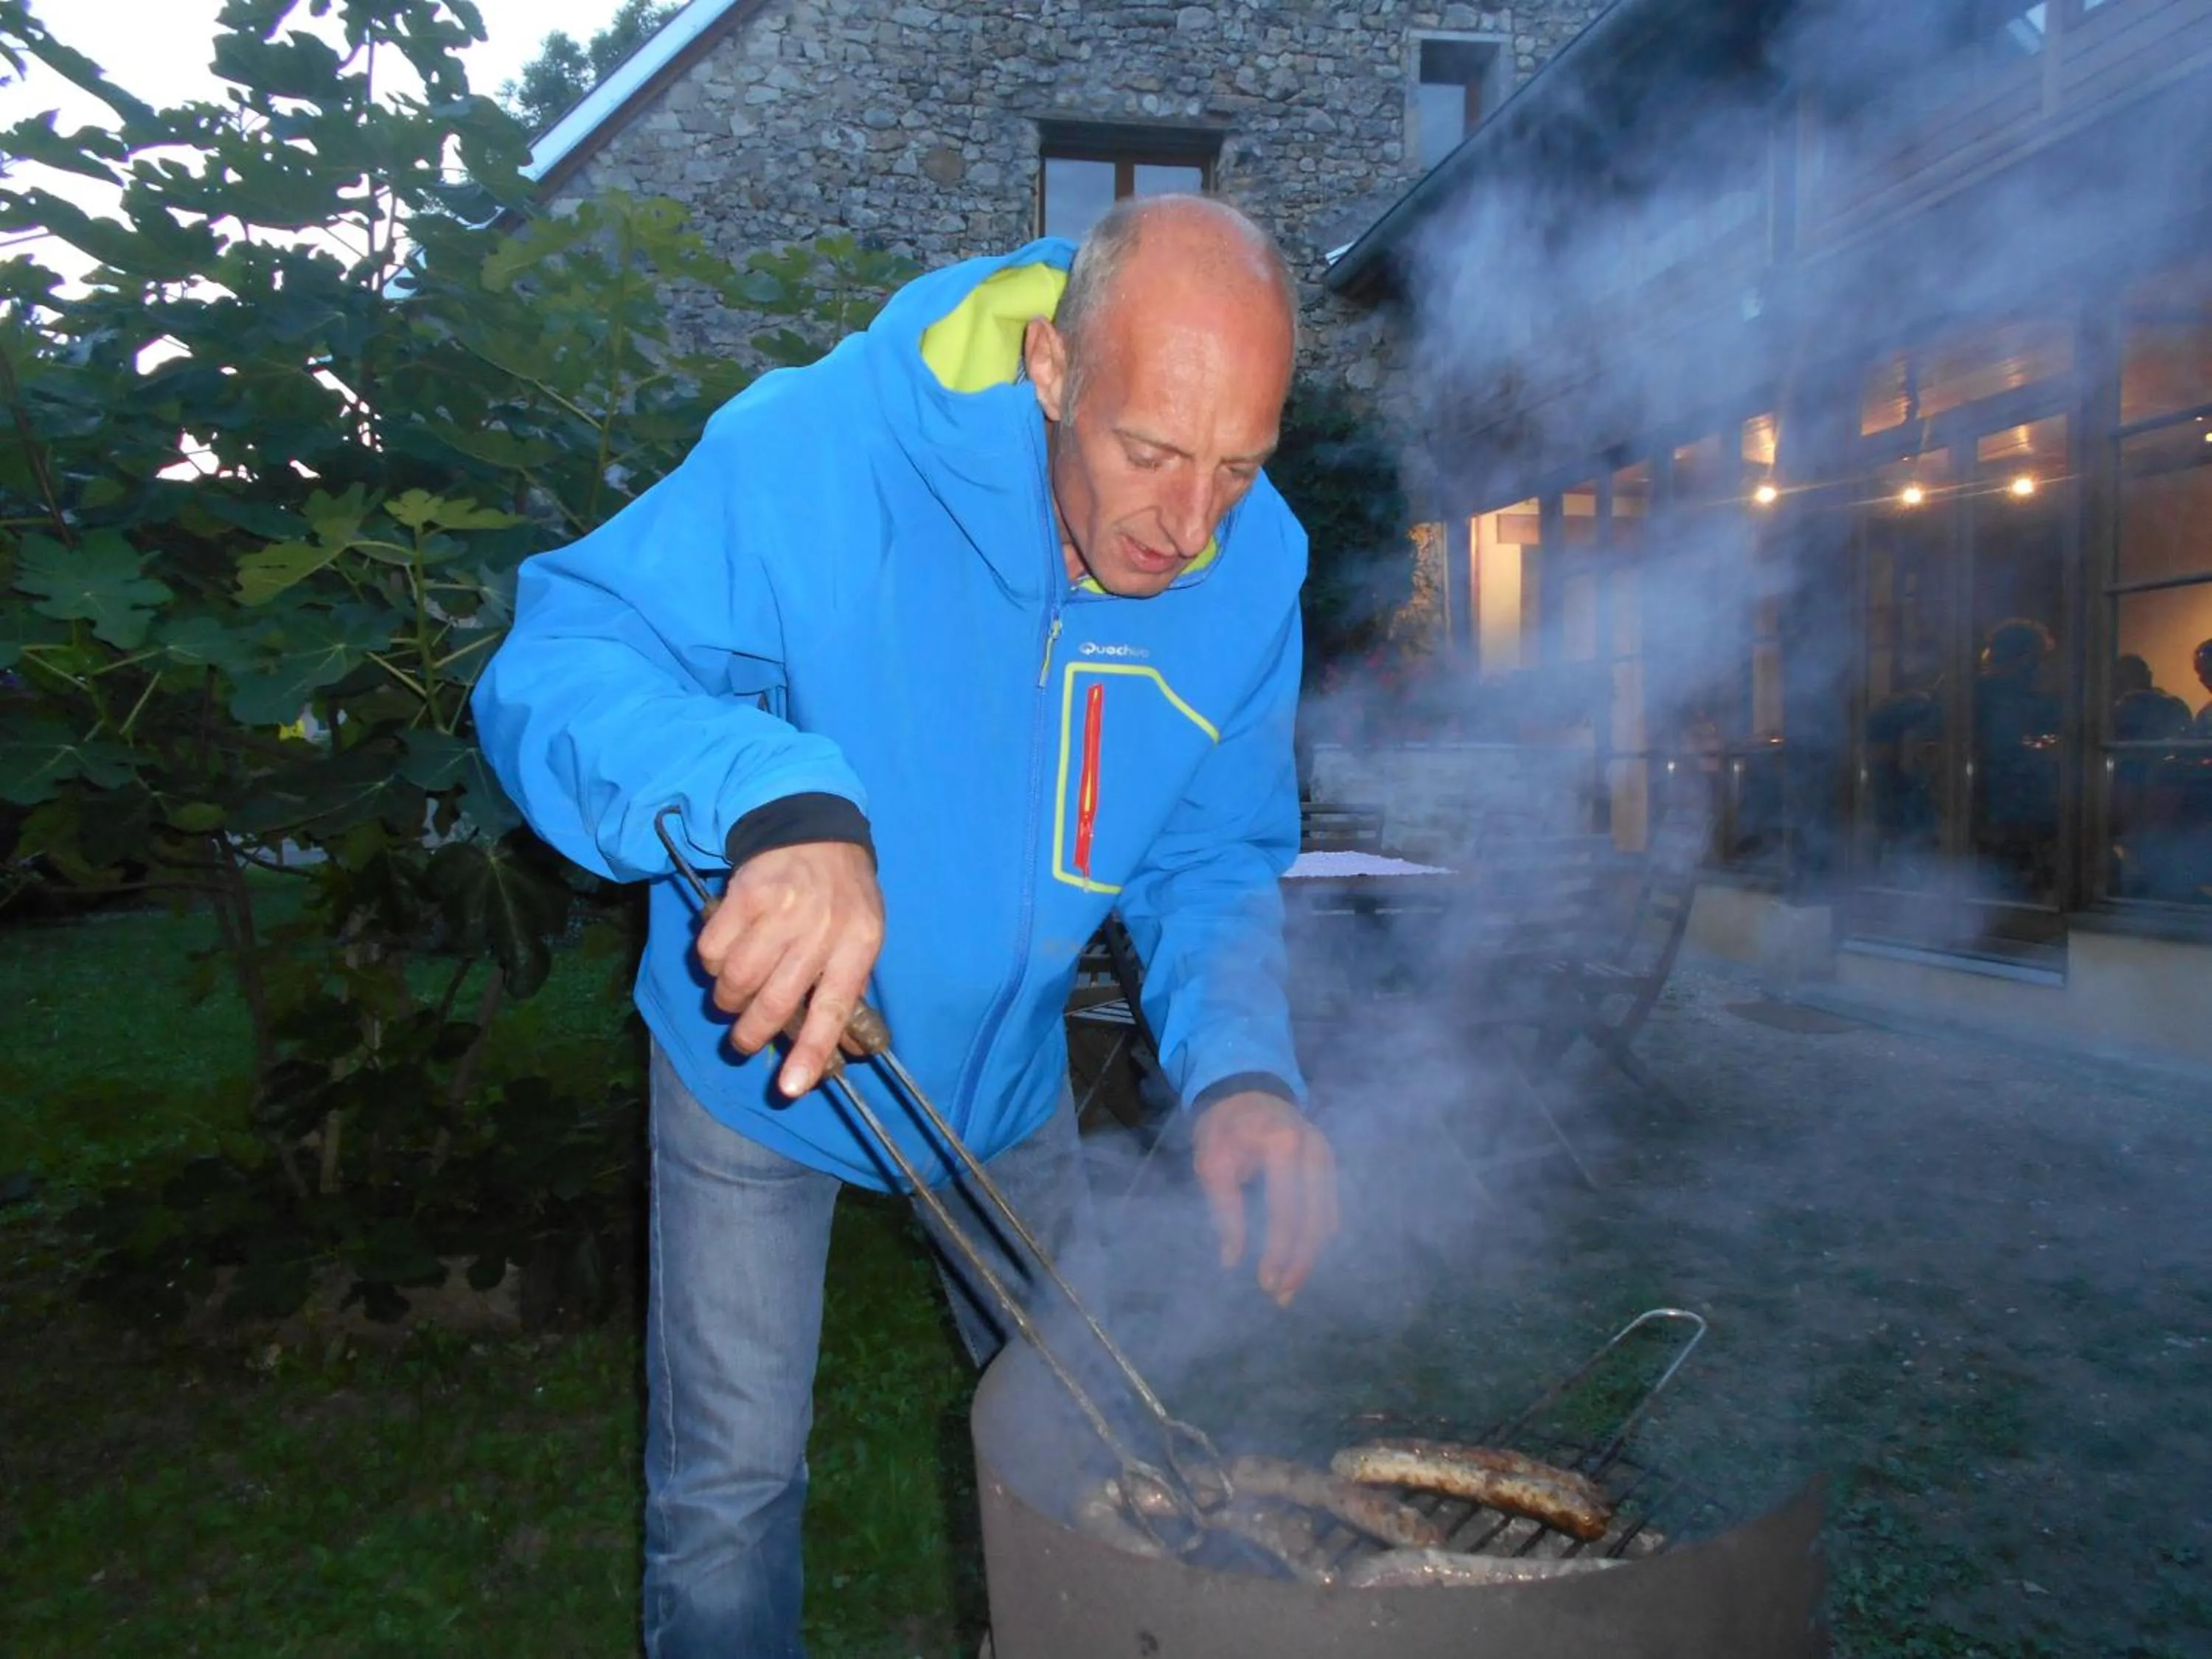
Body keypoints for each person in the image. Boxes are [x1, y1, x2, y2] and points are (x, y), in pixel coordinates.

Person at [471, 195, 1341, 1658]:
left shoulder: (1251, 574)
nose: (1188, 527)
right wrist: (771, 796)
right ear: (1053, 372)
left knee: (1093, 1461)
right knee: (733, 1490)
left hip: (1004, 1091)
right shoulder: (822, 456)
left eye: (1237, 469)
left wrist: (1244, 1069)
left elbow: (1208, 853)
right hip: (764, 1064)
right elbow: (558, 660)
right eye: (1150, 454)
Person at [1969, 618, 2062, 899]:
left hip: (2003, 821)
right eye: (2040, 659)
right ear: (2025, 659)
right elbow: (2005, 755)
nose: (2043, 667)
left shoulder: (1977, 693)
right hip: (2003, 820)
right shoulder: (1994, 697)